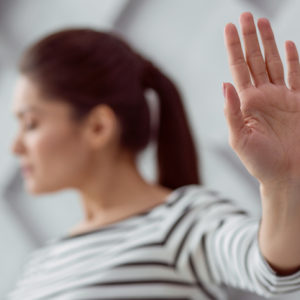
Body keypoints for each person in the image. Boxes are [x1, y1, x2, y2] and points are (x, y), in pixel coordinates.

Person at [6, 11, 300, 300]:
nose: (15, 146)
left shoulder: (180, 221)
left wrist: (284, 183)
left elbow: (270, 272)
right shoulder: (41, 263)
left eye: (31, 123)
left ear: (98, 127)